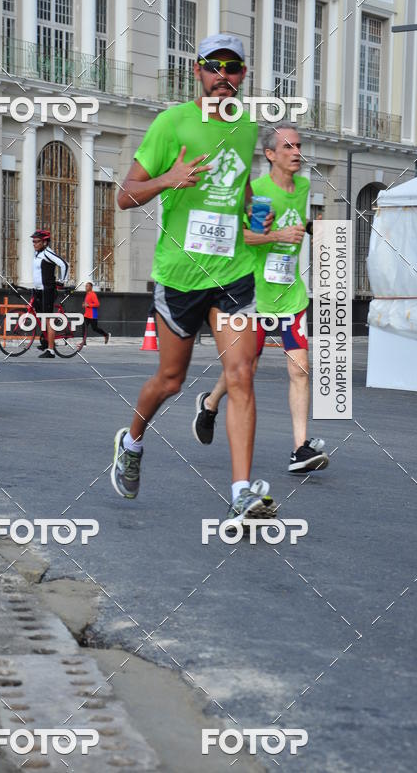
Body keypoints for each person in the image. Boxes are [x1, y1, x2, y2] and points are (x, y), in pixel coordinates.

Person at [110, 33, 277, 525]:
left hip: (234, 273)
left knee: (241, 375)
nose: (223, 76)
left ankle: (242, 493)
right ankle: (132, 441)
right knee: (170, 380)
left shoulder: (248, 127)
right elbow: (125, 195)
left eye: (234, 67)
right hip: (180, 276)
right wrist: (168, 179)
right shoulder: (171, 123)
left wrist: (255, 211)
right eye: (214, 66)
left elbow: (240, 183)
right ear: (197, 72)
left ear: (244, 75)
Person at [192, 125, 329, 473]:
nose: (297, 152)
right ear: (270, 154)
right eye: (288, 147)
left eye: (299, 146)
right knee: (245, 368)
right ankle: (209, 404)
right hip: (252, 296)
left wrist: (311, 230)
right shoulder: (256, 191)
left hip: (290, 295)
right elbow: (239, 237)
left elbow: (295, 220)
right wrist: (277, 235)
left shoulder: (303, 187)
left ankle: (300, 449)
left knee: (300, 369)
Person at [31, 230, 69, 358]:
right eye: (33, 242)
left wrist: (62, 281)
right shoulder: (37, 253)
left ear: (45, 242)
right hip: (38, 290)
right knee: (40, 316)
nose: (34, 244)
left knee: (48, 319)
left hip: (48, 290)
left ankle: (51, 350)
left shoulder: (48, 253)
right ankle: (46, 341)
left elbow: (64, 265)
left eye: (37, 242)